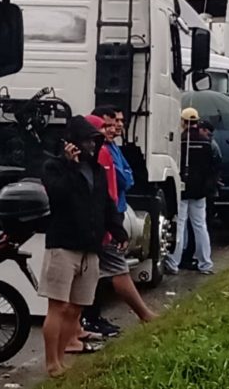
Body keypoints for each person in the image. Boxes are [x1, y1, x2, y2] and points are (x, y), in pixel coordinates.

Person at [39, 116, 128, 377]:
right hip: (63, 245)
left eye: (95, 141)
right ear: (73, 143)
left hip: (91, 247)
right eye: (88, 140)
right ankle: (51, 361)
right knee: (58, 306)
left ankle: (63, 354)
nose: (92, 145)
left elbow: (106, 204)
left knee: (76, 308)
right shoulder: (54, 167)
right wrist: (69, 166)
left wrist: (116, 228)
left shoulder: (97, 171)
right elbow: (58, 195)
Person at [77, 109, 157, 342]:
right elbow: (114, 188)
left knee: (95, 274)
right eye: (105, 126)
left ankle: (84, 323)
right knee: (116, 270)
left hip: (109, 218)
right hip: (106, 222)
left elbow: (125, 179)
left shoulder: (108, 151)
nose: (113, 129)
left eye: (117, 123)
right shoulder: (101, 154)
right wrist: (112, 225)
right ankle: (143, 314)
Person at [165, 108, 219, 275]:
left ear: (182, 121)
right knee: (200, 226)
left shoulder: (179, 141)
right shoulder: (206, 142)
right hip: (201, 191)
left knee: (179, 225)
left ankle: (174, 263)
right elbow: (213, 167)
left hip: (183, 189)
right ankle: (205, 263)